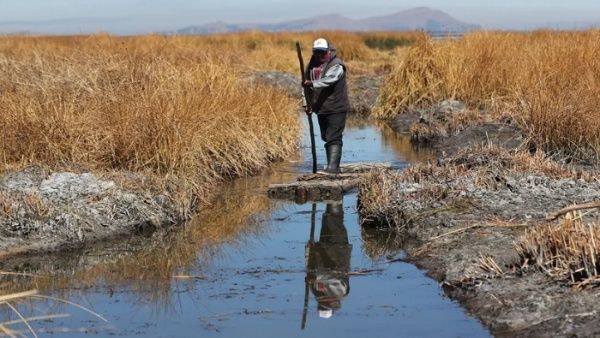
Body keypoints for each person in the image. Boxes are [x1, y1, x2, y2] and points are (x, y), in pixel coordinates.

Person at [303, 38, 350, 174]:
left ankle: (332, 168)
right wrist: (307, 104)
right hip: (321, 108)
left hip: (336, 107)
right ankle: (333, 166)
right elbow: (304, 86)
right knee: (326, 136)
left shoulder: (336, 65)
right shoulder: (311, 65)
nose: (319, 56)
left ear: (328, 51)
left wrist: (312, 83)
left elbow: (330, 79)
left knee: (334, 136)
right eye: (317, 52)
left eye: (322, 53)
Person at [305, 202, 352, 319]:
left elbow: (310, 268)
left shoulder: (316, 289)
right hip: (338, 248)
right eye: (326, 305)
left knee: (328, 219)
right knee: (333, 219)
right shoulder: (342, 291)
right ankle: (334, 197)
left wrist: (309, 250)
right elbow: (332, 274)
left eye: (323, 305)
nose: (327, 302)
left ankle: (333, 198)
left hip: (324, 248)